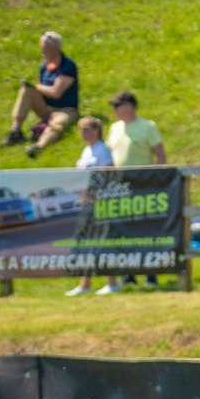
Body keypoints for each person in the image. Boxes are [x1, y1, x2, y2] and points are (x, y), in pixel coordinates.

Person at [107, 90, 166, 286]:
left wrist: (155, 180)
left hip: (143, 187)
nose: (115, 110)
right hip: (120, 188)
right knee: (124, 230)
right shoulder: (114, 128)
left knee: (145, 231)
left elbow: (160, 156)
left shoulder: (147, 127)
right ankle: (129, 273)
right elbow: (111, 160)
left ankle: (150, 274)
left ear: (129, 107)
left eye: (118, 105)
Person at [0, 31, 80, 156]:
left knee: (58, 123)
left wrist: (36, 87)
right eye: (42, 46)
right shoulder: (44, 67)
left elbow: (56, 92)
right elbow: (41, 89)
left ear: (56, 48)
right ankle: (16, 131)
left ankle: (39, 146)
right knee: (26, 89)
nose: (43, 49)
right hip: (47, 108)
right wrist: (32, 88)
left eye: (47, 46)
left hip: (66, 109)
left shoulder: (67, 66)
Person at [67, 117, 119, 296]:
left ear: (97, 130)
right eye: (81, 129)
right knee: (87, 242)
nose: (83, 133)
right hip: (86, 203)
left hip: (99, 203)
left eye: (87, 129)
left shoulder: (102, 151)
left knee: (101, 242)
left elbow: (109, 175)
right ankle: (85, 283)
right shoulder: (86, 151)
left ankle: (112, 282)